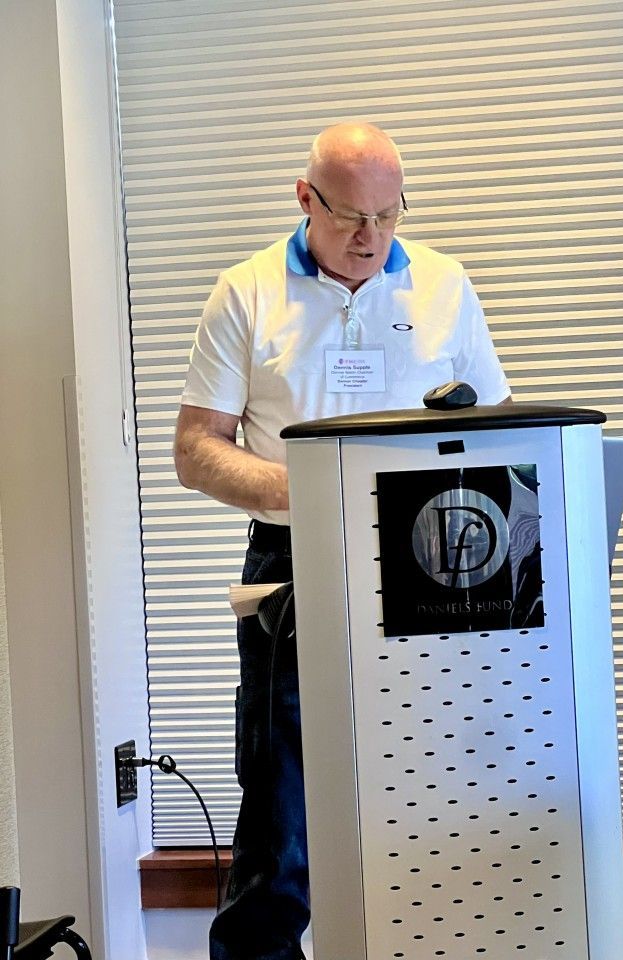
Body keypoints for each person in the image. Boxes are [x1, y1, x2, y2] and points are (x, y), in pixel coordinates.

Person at [174, 121, 511, 960]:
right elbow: (196, 449)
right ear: (304, 199)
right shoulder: (247, 292)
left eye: (389, 216)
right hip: (297, 564)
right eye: (350, 217)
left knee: (438, 801)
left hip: (435, 561)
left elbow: (500, 424)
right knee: (283, 819)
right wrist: (309, 490)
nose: (371, 239)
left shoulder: (444, 284)